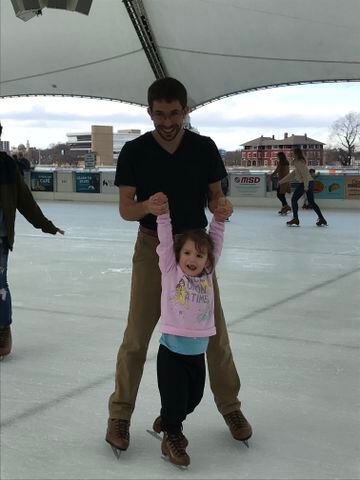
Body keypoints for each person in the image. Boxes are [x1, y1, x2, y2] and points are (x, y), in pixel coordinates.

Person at [106, 77, 252, 454]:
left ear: (185, 110)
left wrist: (222, 209)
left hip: (195, 253)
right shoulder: (135, 151)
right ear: (149, 111)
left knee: (214, 332)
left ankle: (230, 407)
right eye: (159, 114)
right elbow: (126, 208)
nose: (167, 121)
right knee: (136, 335)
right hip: (152, 247)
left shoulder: (203, 148)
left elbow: (216, 198)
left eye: (174, 113)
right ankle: (119, 414)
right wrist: (147, 208)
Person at [152, 193, 226, 467]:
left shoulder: (207, 273)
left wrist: (218, 220)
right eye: (187, 253)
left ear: (207, 260)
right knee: (175, 400)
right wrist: (162, 215)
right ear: (178, 255)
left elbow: (216, 242)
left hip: (197, 353)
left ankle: (170, 419)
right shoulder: (171, 271)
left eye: (199, 254)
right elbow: (165, 240)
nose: (192, 259)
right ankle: (172, 436)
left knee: (193, 399)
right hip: (171, 351)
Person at [0, 122, 64, 358]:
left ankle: (3, 328)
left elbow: (25, 201)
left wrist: (46, 226)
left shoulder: (7, 166)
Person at [278, 148, 327, 226]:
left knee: (294, 199)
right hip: (310, 182)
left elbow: (304, 174)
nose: (291, 154)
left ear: (296, 154)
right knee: (311, 202)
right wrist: (281, 182)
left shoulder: (299, 162)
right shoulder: (298, 163)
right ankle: (322, 219)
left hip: (306, 183)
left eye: (293, 153)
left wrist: (305, 186)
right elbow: (293, 174)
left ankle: (295, 219)